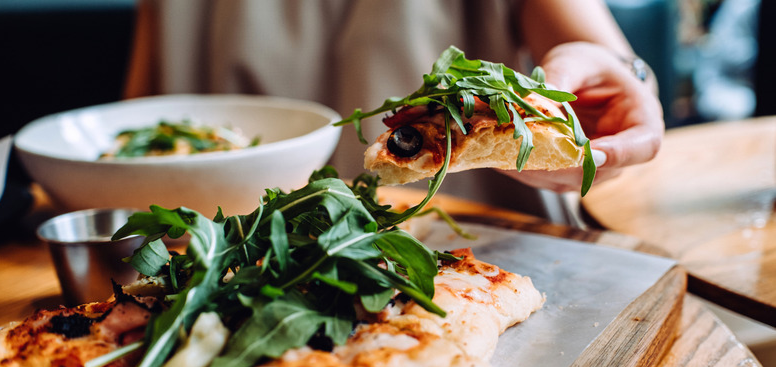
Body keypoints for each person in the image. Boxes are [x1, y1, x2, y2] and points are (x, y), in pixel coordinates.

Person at [123, 0, 663, 221]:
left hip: (477, 251)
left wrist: (626, 78)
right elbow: (138, 119)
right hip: (219, 248)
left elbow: (600, 56)